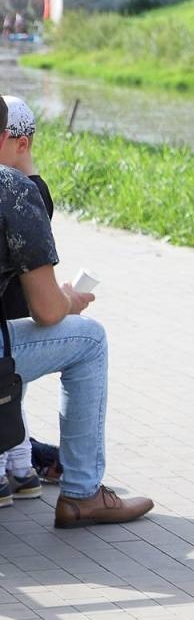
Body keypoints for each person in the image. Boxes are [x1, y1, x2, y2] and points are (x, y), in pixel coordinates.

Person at [0, 96, 154, 528]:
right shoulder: (14, 191)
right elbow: (48, 312)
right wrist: (69, 298)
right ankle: (82, 494)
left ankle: (21, 456)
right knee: (89, 339)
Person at [0, 95, 48, 504]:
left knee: (8, 399)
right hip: (14, 314)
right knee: (12, 400)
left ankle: (7, 472)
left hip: (12, 314)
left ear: (21, 143)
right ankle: (23, 470)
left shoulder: (26, 193)